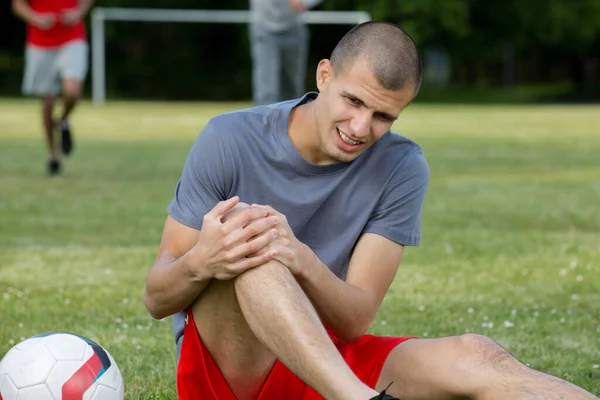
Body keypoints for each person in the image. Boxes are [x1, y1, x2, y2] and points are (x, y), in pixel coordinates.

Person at [143, 21, 599, 400]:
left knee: (479, 356)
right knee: (255, 242)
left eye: (384, 117)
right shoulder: (229, 137)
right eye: (353, 101)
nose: (361, 128)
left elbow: (355, 319)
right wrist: (205, 259)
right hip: (230, 372)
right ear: (324, 76)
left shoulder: (402, 165)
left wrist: (303, 259)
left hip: (328, 361)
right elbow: (156, 298)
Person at [12, 0, 93, 175]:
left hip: (72, 38)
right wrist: (36, 18)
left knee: (72, 91)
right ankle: (53, 155)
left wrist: (78, 12)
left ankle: (63, 119)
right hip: (40, 43)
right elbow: (18, 5)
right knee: (47, 103)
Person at [249, 0, 321, 105]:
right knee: (266, 86)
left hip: (294, 26)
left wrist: (304, 3)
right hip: (264, 26)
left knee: (292, 85)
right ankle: (264, 119)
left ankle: (292, 117)